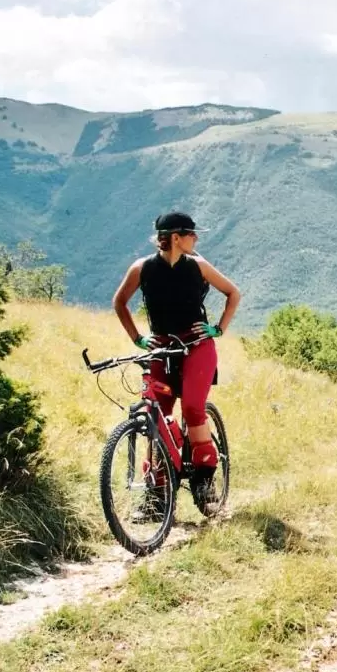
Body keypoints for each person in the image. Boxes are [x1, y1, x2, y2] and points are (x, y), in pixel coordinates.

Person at [112, 210, 240, 509]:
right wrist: (138, 339)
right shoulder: (141, 268)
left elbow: (233, 293)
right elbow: (119, 303)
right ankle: (156, 491)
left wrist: (218, 329)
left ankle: (205, 478)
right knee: (157, 414)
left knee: (194, 407)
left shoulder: (198, 266)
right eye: (191, 233)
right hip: (161, 347)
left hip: (197, 345)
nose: (196, 238)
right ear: (175, 238)